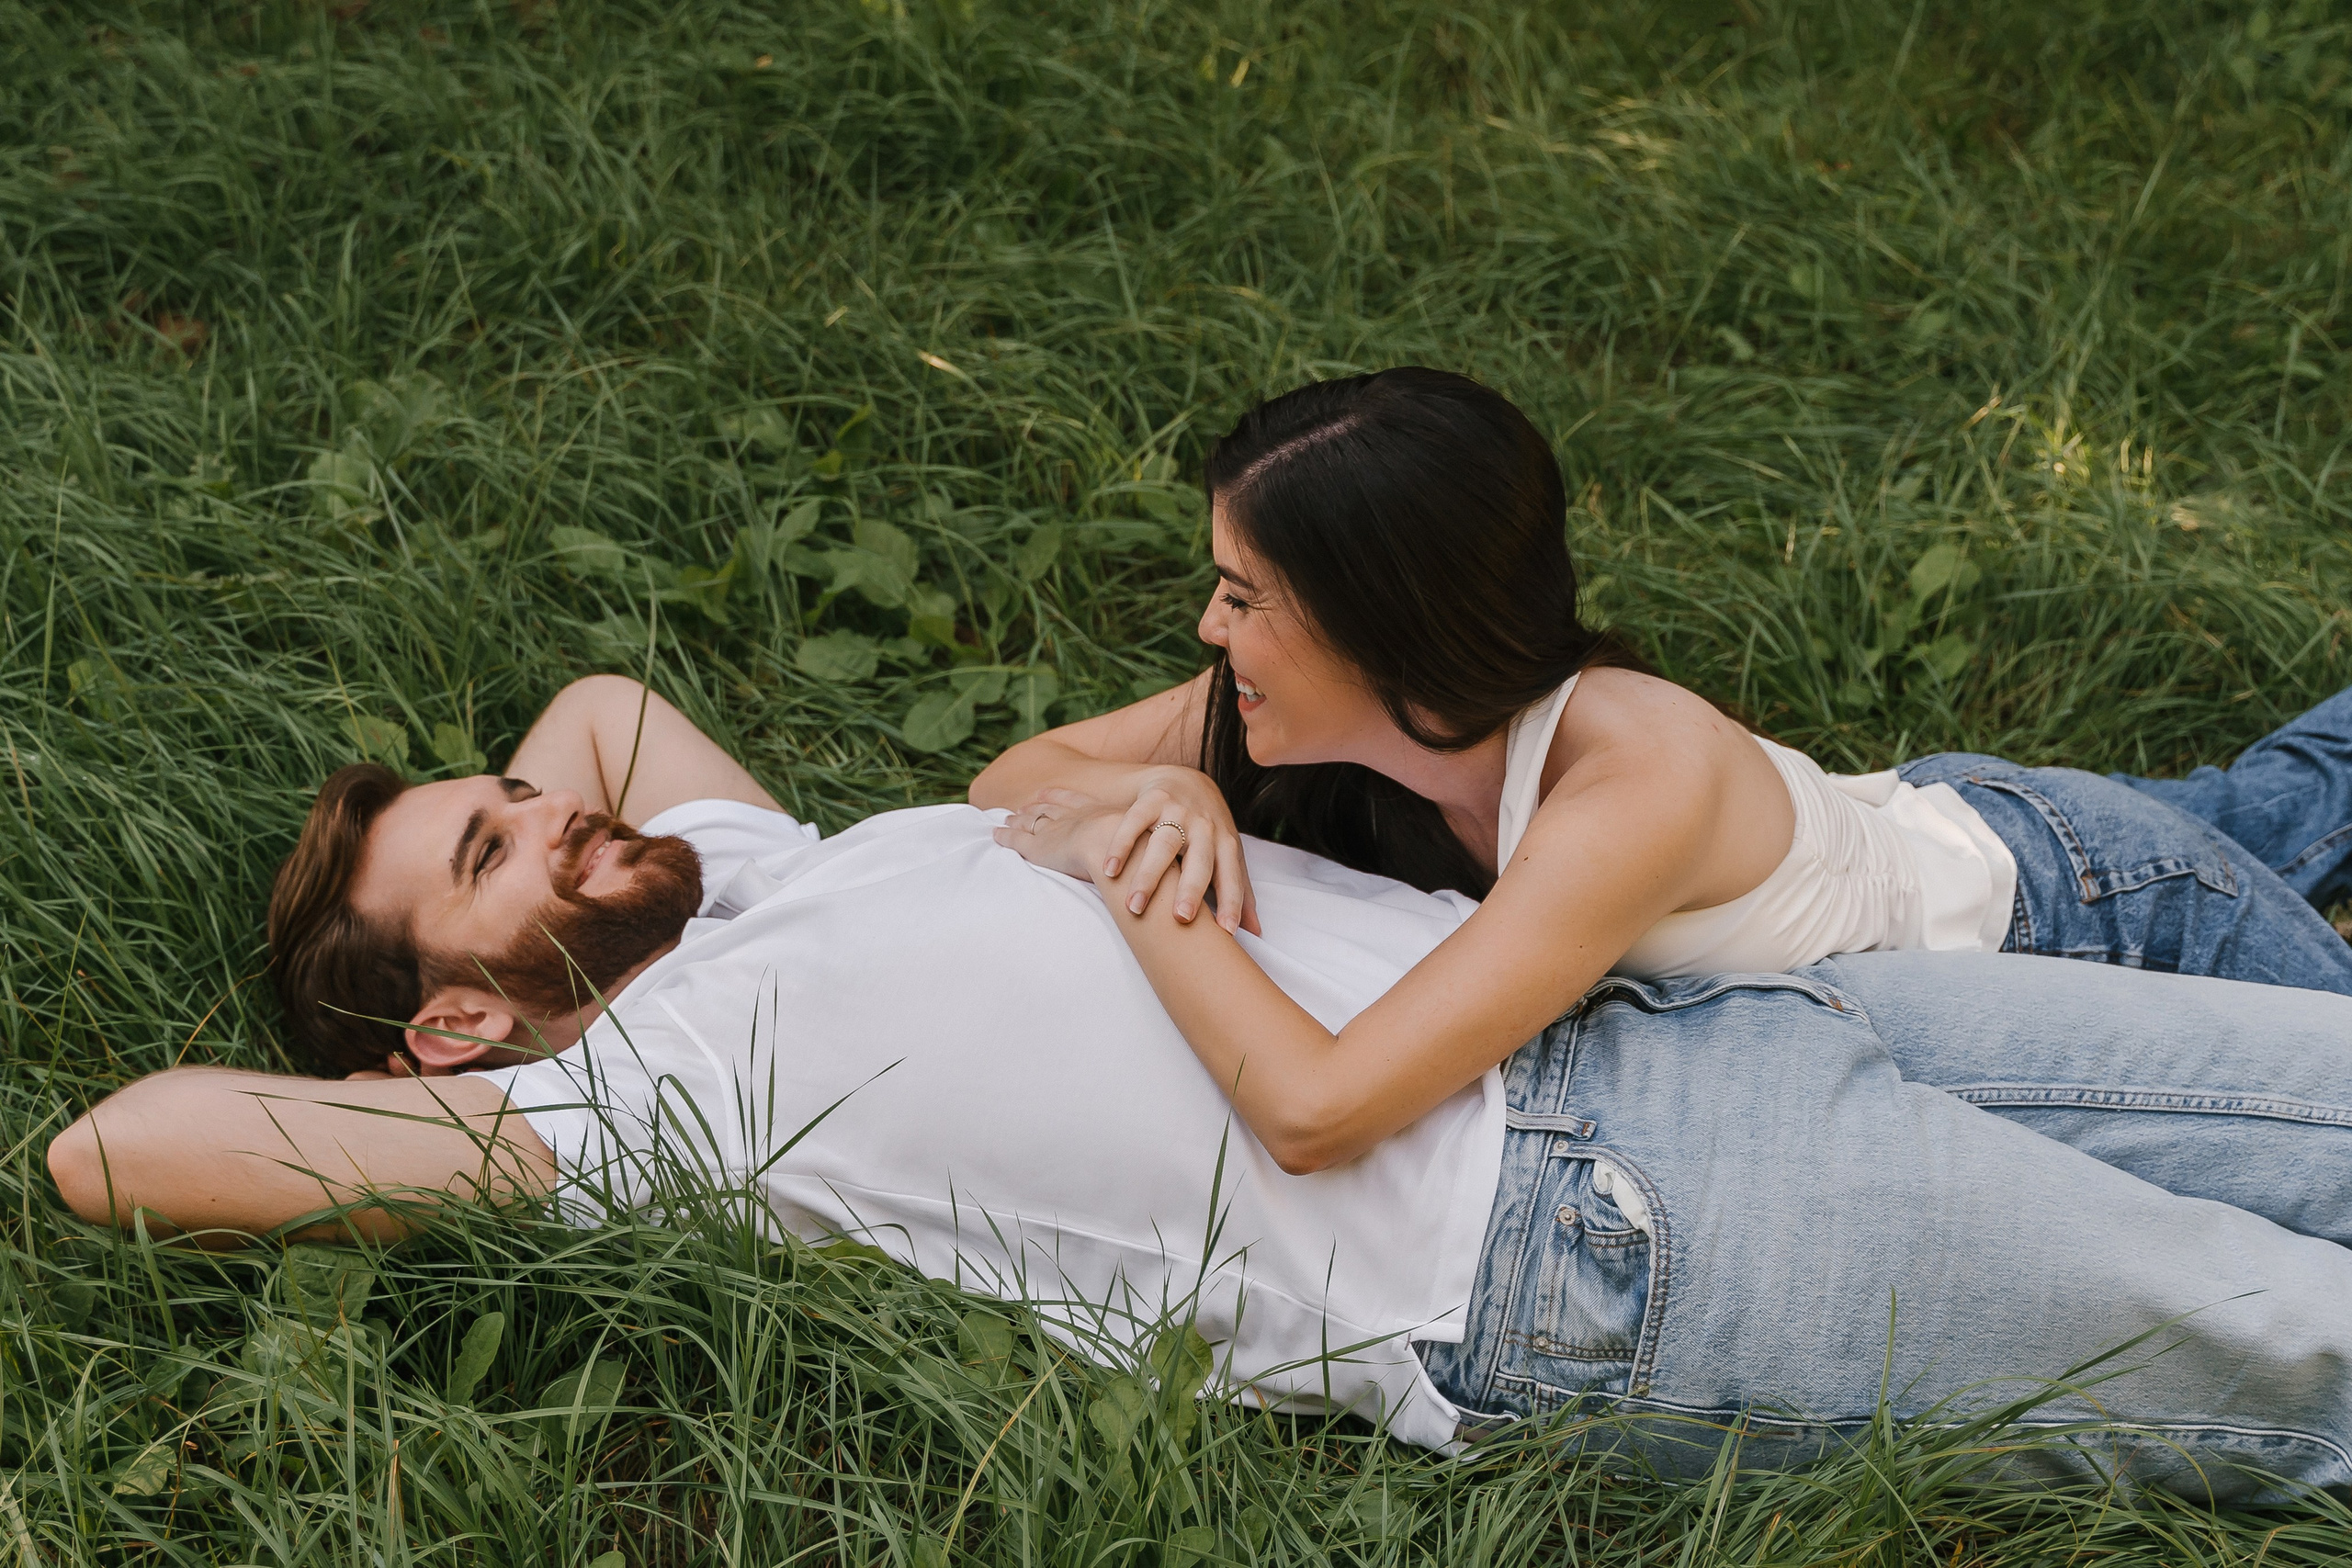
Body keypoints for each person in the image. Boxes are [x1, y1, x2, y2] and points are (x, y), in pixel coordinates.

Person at [44, 678, 2352, 1500]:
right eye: (488, 856)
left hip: (1661, 1013)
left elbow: (598, 705)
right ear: (453, 1031)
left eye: (508, 801)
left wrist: (506, 855)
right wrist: (457, 1045)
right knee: (2307, 1354)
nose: (552, 810)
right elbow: (110, 1146)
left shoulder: (743, 875)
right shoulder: (630, 1111)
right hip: (1588, 1243)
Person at [975, 367, 2352, 1177]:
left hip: (2085, 908)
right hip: (1921, 828)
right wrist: (1172, 794)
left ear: (1379, 623)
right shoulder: (1292, 704)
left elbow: (1319, 1112)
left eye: (1241, 594)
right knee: (2296, 789)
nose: (1207, 629)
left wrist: (1130, 864)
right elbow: (1008, 782)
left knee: (2297, 849)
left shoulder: (1634, 778)